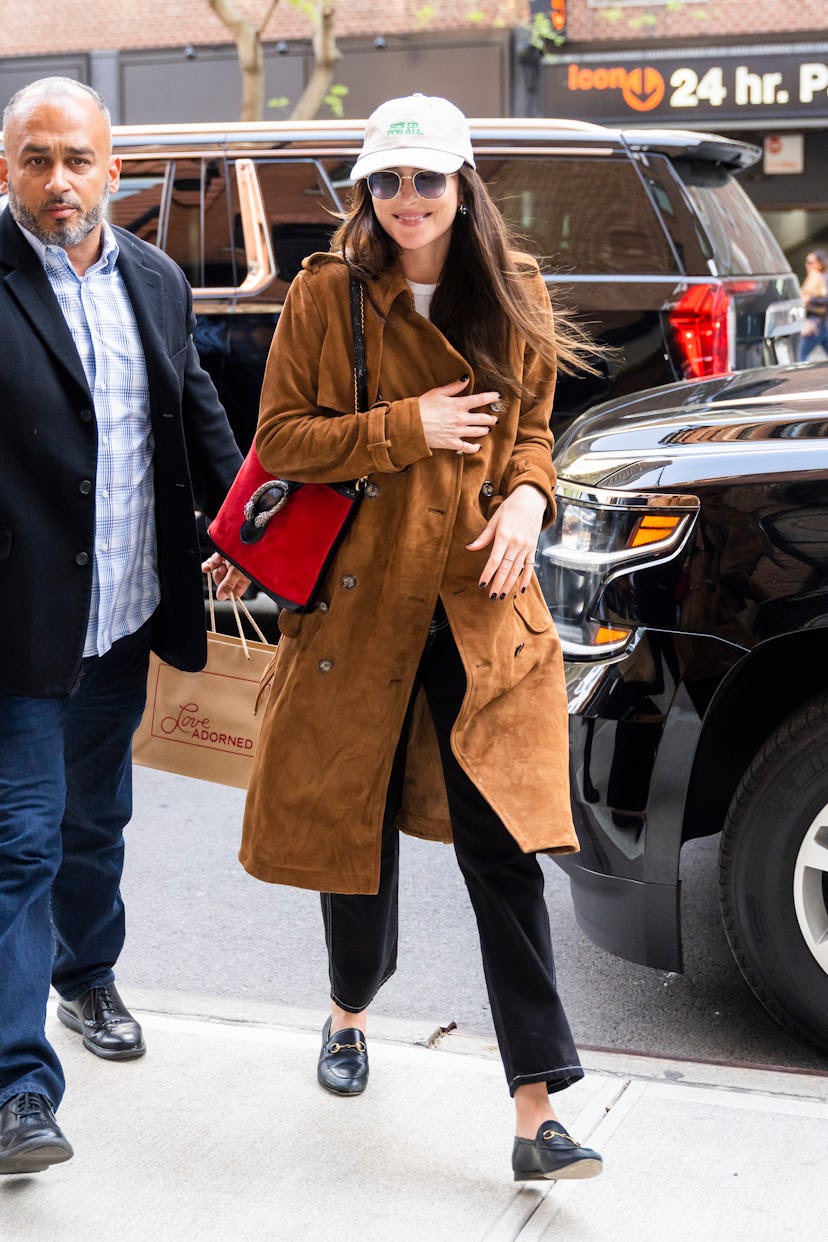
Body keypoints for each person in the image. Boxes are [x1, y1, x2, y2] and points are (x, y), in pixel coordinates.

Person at [235, 94, 603, 1182]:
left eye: (426, 180)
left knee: (505, 850)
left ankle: (538, 1111)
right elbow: (280, 442)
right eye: (387, 181)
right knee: (355, 834)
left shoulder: (515, 293)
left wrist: (533, 505)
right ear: (367, 189)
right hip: (360, 601)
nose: (405, 201)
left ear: (463, 185)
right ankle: (349, 1011)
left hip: (477, 604)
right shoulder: (328, 295)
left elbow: (533, 439)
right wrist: (412, 426)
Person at [0, 77, 243, 1175]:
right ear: (6, 167)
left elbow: (193, 409)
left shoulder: (153, 277)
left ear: (112, 165)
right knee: (19, 844)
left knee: (96, 825)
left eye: (78, 160)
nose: (60, 182)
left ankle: (87, 975)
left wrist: (254, 531)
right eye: (36, 159)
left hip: (126, 615)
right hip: (16, 626)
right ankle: (19, 1090)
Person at [797, 249, 828, 361]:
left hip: (816, 324)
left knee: (800, 356)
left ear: (820, 264)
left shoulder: (821, 278)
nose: (807, 265)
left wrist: (810, 299)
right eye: (806, 262)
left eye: (810, 262)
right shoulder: (813, 277)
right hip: (821, 324)